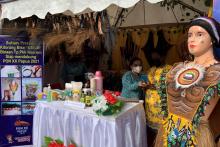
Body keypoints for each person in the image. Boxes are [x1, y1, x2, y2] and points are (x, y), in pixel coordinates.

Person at [155, 17, 220, 147]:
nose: (192, 39)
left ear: (212, 39)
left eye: (199, 34)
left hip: (197, 139)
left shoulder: (217, 71)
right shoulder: (176, 68)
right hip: (167, 135)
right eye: (190, 35)